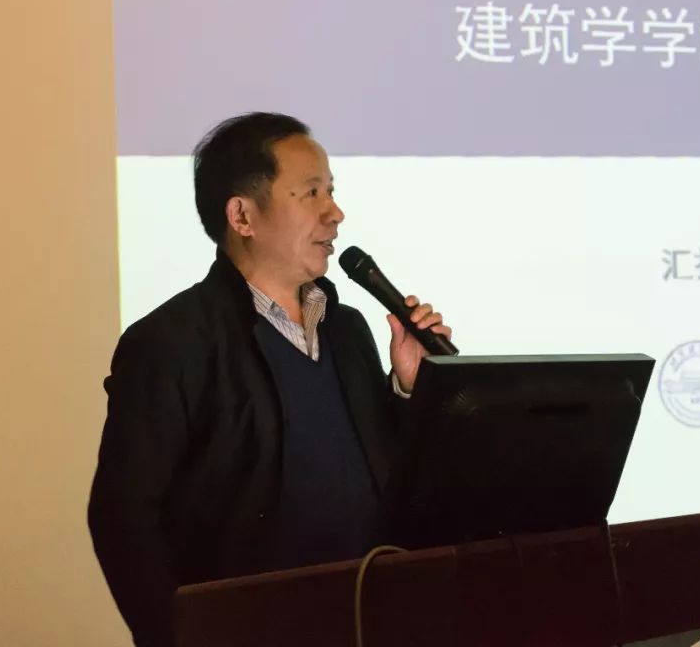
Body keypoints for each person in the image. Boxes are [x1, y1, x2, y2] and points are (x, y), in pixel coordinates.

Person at [87, 112, 452, 646]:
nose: (335, 213)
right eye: (311, 193)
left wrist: (408, 390)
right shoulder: (171, 341)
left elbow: (385, 479)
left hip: (363, 624)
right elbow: (123, 518)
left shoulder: (348, 329)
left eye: (331, 191)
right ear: (242, 216)